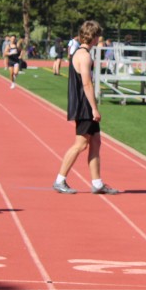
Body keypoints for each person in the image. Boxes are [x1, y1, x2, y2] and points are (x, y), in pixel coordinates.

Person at [52, 20, 119, 195]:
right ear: (94, 37)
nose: (99, 39)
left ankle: (97, 183)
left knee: (96, 142)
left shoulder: (80, 53)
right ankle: (59, 180)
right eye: (98, 36)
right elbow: (87, 84)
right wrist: (94, 108)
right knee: (80, 144)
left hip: (84, 104)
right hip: (84, 106)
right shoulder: (84, 56)